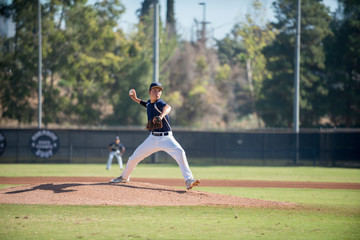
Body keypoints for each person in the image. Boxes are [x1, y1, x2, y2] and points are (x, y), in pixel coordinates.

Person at [110, 82, 200, 190]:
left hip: (167, 138)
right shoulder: (149, 103)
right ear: (149, 92)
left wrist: (161, 116)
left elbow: (168, 107)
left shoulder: (159, 103)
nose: (157, 93)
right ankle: (124, 177)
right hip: (152, 139)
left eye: (159, 90)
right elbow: (145, 104)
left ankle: (189, 180)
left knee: (180, 153)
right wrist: (135, 98)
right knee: (134, 157)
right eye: (154, 90)